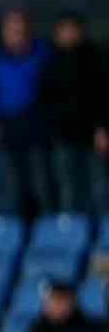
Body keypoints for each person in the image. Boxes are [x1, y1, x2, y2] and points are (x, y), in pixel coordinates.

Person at [0, 10, 54, 215]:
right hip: (8, 126)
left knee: (41, 183)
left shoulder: (43, 55)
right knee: (13, 184)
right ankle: (17, 227)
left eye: (21, 29)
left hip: (37, 125)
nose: (17, 34)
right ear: (4, 32)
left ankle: (48, 226)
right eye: (12, 30)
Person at [36, 14, 108, 216]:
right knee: (67, 186)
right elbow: (44, 100)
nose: (69, 35)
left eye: (72, 29)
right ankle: (72, 228)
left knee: (98, 185)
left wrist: (102, 128)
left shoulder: (95, 59)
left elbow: (103, 97)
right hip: (62, 135)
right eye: (64, 30)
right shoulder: (49, 62)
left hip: (92, 135)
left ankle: (101, 229)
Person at [23, 279, 109, 332]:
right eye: (52, 300)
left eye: (61, 299)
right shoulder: (37, 331)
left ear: (73, 301)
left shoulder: (91, 331)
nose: (56, 305)